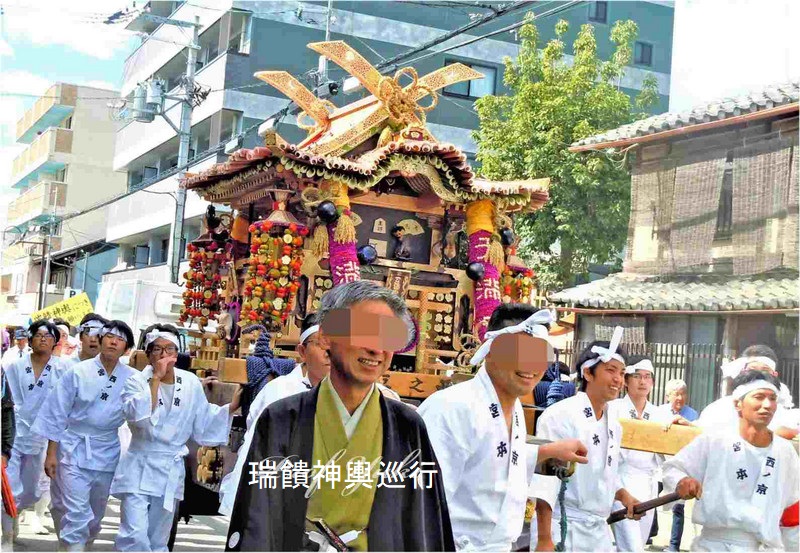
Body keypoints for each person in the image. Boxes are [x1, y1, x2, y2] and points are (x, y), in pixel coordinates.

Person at [226, 280, 454, 551]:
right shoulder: (281, 419)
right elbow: (258, 518)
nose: (376, 349)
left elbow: (423, 523)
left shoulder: (407, 426)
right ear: (325, 337)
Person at [418, 304, 588, 551]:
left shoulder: (515, 406)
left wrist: (549, 451)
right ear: (490, 351)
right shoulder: (452, 408)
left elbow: (496, 459)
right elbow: (422, 502)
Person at [110, 323, 241, 551]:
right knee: (134, 532)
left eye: (169, 349)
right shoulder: (136, 381)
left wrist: (230, 407)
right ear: (148, 354)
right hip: (139, 463)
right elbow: (137, 416)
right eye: (157, 349)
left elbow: (203, 419)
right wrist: (157, 379)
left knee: (159, 536)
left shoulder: (189, 382)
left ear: (177, 353)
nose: (163, 355)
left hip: (169, 469)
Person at [663, 370, 799, 550]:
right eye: (759, 397)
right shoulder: (715, 441)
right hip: (714, 545)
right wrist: (682, 481)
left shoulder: (784, 451)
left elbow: (793, 510)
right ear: (738, 403)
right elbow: (673, 469)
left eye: (772, 398)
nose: (767, 404)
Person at [533, 328, 641, 552]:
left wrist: (624, 496)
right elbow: (545, 480)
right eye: (611, 371)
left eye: (621, 373)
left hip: (597, 531)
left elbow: (606, 472)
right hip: (562, 527)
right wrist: (544, 539)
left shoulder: (614, 423)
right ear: (588, 373)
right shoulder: (559, 416)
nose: (618, 379)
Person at [32, 320, 136, 551]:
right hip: (73, 448)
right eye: (109, 336)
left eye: (120, 339)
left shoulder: (132, 378)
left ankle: (78, 545)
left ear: (126, 349)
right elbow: (56, 413)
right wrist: (51, 454)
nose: (113, 341)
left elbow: (140, 414)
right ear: (100, 340)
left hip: (107, 449)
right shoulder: (77, 372)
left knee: (95, 514)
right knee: (75, 511)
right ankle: (72, 544)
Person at [218, 313, 331, 517]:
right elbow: (260, 446)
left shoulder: (345, 393)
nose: (329, 353)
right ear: (303, 352)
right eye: (321, 344)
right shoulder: (280, 391)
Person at [1, 320, 65, 544]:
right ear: (29, 339)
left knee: (31, 491)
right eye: (38, 335)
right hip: (15, 435)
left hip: (42, 437)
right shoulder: (15, 366)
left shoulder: (63, 369)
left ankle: (15, 513)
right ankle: (7, 537)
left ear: (55, 341)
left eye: (48, 336)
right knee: (9, 488)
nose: (43, 339)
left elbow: (63, 407)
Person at [609, 356, 663, 552]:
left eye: (647, 377)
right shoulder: (613, 409)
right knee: (630, 545)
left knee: (638, 543)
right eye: (637, 376)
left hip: (648, 484)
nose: (642, 381)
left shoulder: (659, 414)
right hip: (621, 480)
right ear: (626, 381)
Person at [698, 345, 795, 439]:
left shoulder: (783, 414)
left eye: (765, 371)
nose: (758, 375)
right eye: (752, 370)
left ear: (774, 375)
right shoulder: (718, 409)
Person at [654, 378, 698, 552]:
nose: (679, 398)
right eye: (676, 394)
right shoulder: (659, 412)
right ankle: (651, 530)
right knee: (651, 499)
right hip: (659, 463)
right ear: (667, 396)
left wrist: (686, 424)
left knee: (678, 506)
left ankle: (674, 545)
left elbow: (698, 435)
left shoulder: (692, 414)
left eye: (682, 394)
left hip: (681, 466)